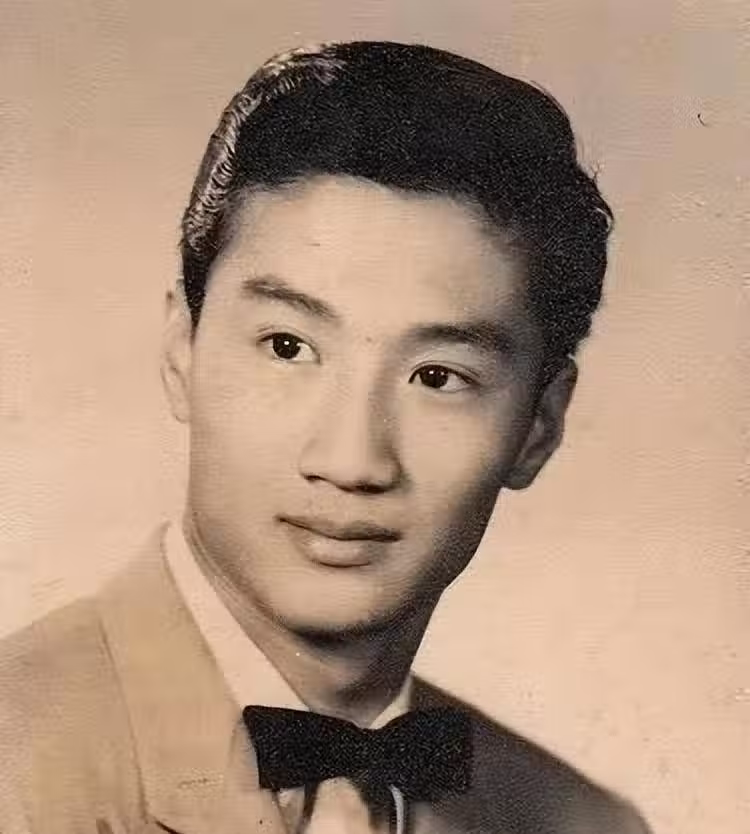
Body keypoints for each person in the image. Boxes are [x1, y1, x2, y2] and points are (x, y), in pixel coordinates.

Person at [0, 41, 652, 834]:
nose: (352, 461)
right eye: (288, 347)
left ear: (539, 425)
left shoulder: (587, 824)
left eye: (437, 377)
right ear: (181, 349)